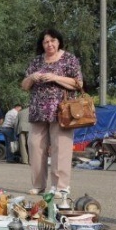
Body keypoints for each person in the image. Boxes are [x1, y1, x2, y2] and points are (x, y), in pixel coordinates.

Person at [21, 28, 83, 198]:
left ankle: (61, 186)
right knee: (35, 147)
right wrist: (33, 77)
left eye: (52, 40)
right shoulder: (36, 61)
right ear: (42, 44)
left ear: (59, 41)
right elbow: (24, 86)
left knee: (60, 148)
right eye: (46, 41)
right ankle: (38, 185)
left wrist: (55, 77)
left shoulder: (69, 59)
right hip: (38, 110)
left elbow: (78, 84)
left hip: (61, 110)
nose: (49, 44)